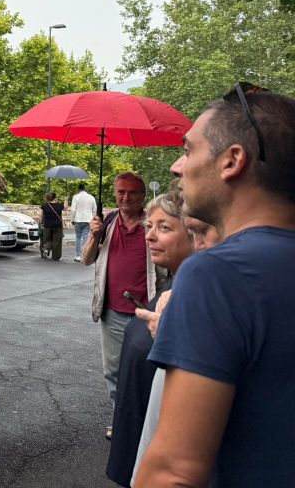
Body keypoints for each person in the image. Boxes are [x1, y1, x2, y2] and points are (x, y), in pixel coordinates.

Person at [136, 87, 295, 487]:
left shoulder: (218, 275)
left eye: (188, 150)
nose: (177, 166)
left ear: (232, 161)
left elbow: (175, 472)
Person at [105, 186, 194, 486]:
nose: (149, 236)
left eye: (164, 227)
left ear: (196, 232)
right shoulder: (175, 283)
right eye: (149, 227)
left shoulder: (194, 296)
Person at [81, 172, 154, 440]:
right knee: (113, 371)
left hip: (146, 313)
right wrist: (93, 236)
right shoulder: (107, 223)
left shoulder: (153, 224)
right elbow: (87, 260)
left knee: (147, 369)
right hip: (111, 312)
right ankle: (119, 419)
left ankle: (146, 421)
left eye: (132, 192)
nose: (126, 197)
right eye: (121, 192)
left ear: (142, 196)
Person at [70, 182, 97, 261]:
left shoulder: (76, 197)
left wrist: (72, 219)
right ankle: (84, 255)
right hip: (88, 220)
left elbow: (73, 209)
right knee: (86, 237)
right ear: (85, 189)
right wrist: (93, 218)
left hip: (78, 220)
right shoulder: (91, 197)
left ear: (78, 189)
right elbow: (94, 209)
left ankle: (77, 256)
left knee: (78, 237)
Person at [39, 191, 64, 260]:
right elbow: (66, 207)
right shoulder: (59, 205)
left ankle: (46, 249)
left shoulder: (44, 205)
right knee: (57, 242)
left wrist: (41, 223)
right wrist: (66, 199)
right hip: (57, 226)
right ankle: (56, 256)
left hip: (47, 225)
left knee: (47, 239)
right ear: (54, 197)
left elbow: (40, 215)